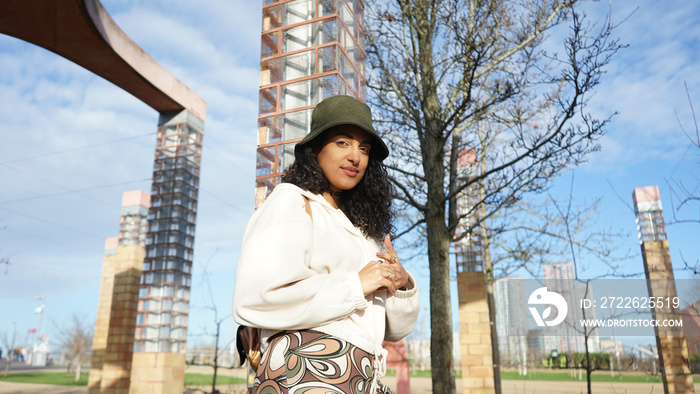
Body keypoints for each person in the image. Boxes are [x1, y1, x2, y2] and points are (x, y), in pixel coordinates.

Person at [233, 95, 420, 393]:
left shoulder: (363, 231)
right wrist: (356, 285)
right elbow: (257, 296)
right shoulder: (293, 200)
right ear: (315, 150)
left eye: (364, 148)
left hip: (361, 378)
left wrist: (401, 282)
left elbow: (392, 330)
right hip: (307, 376)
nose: (355, 157)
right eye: (343, 143)